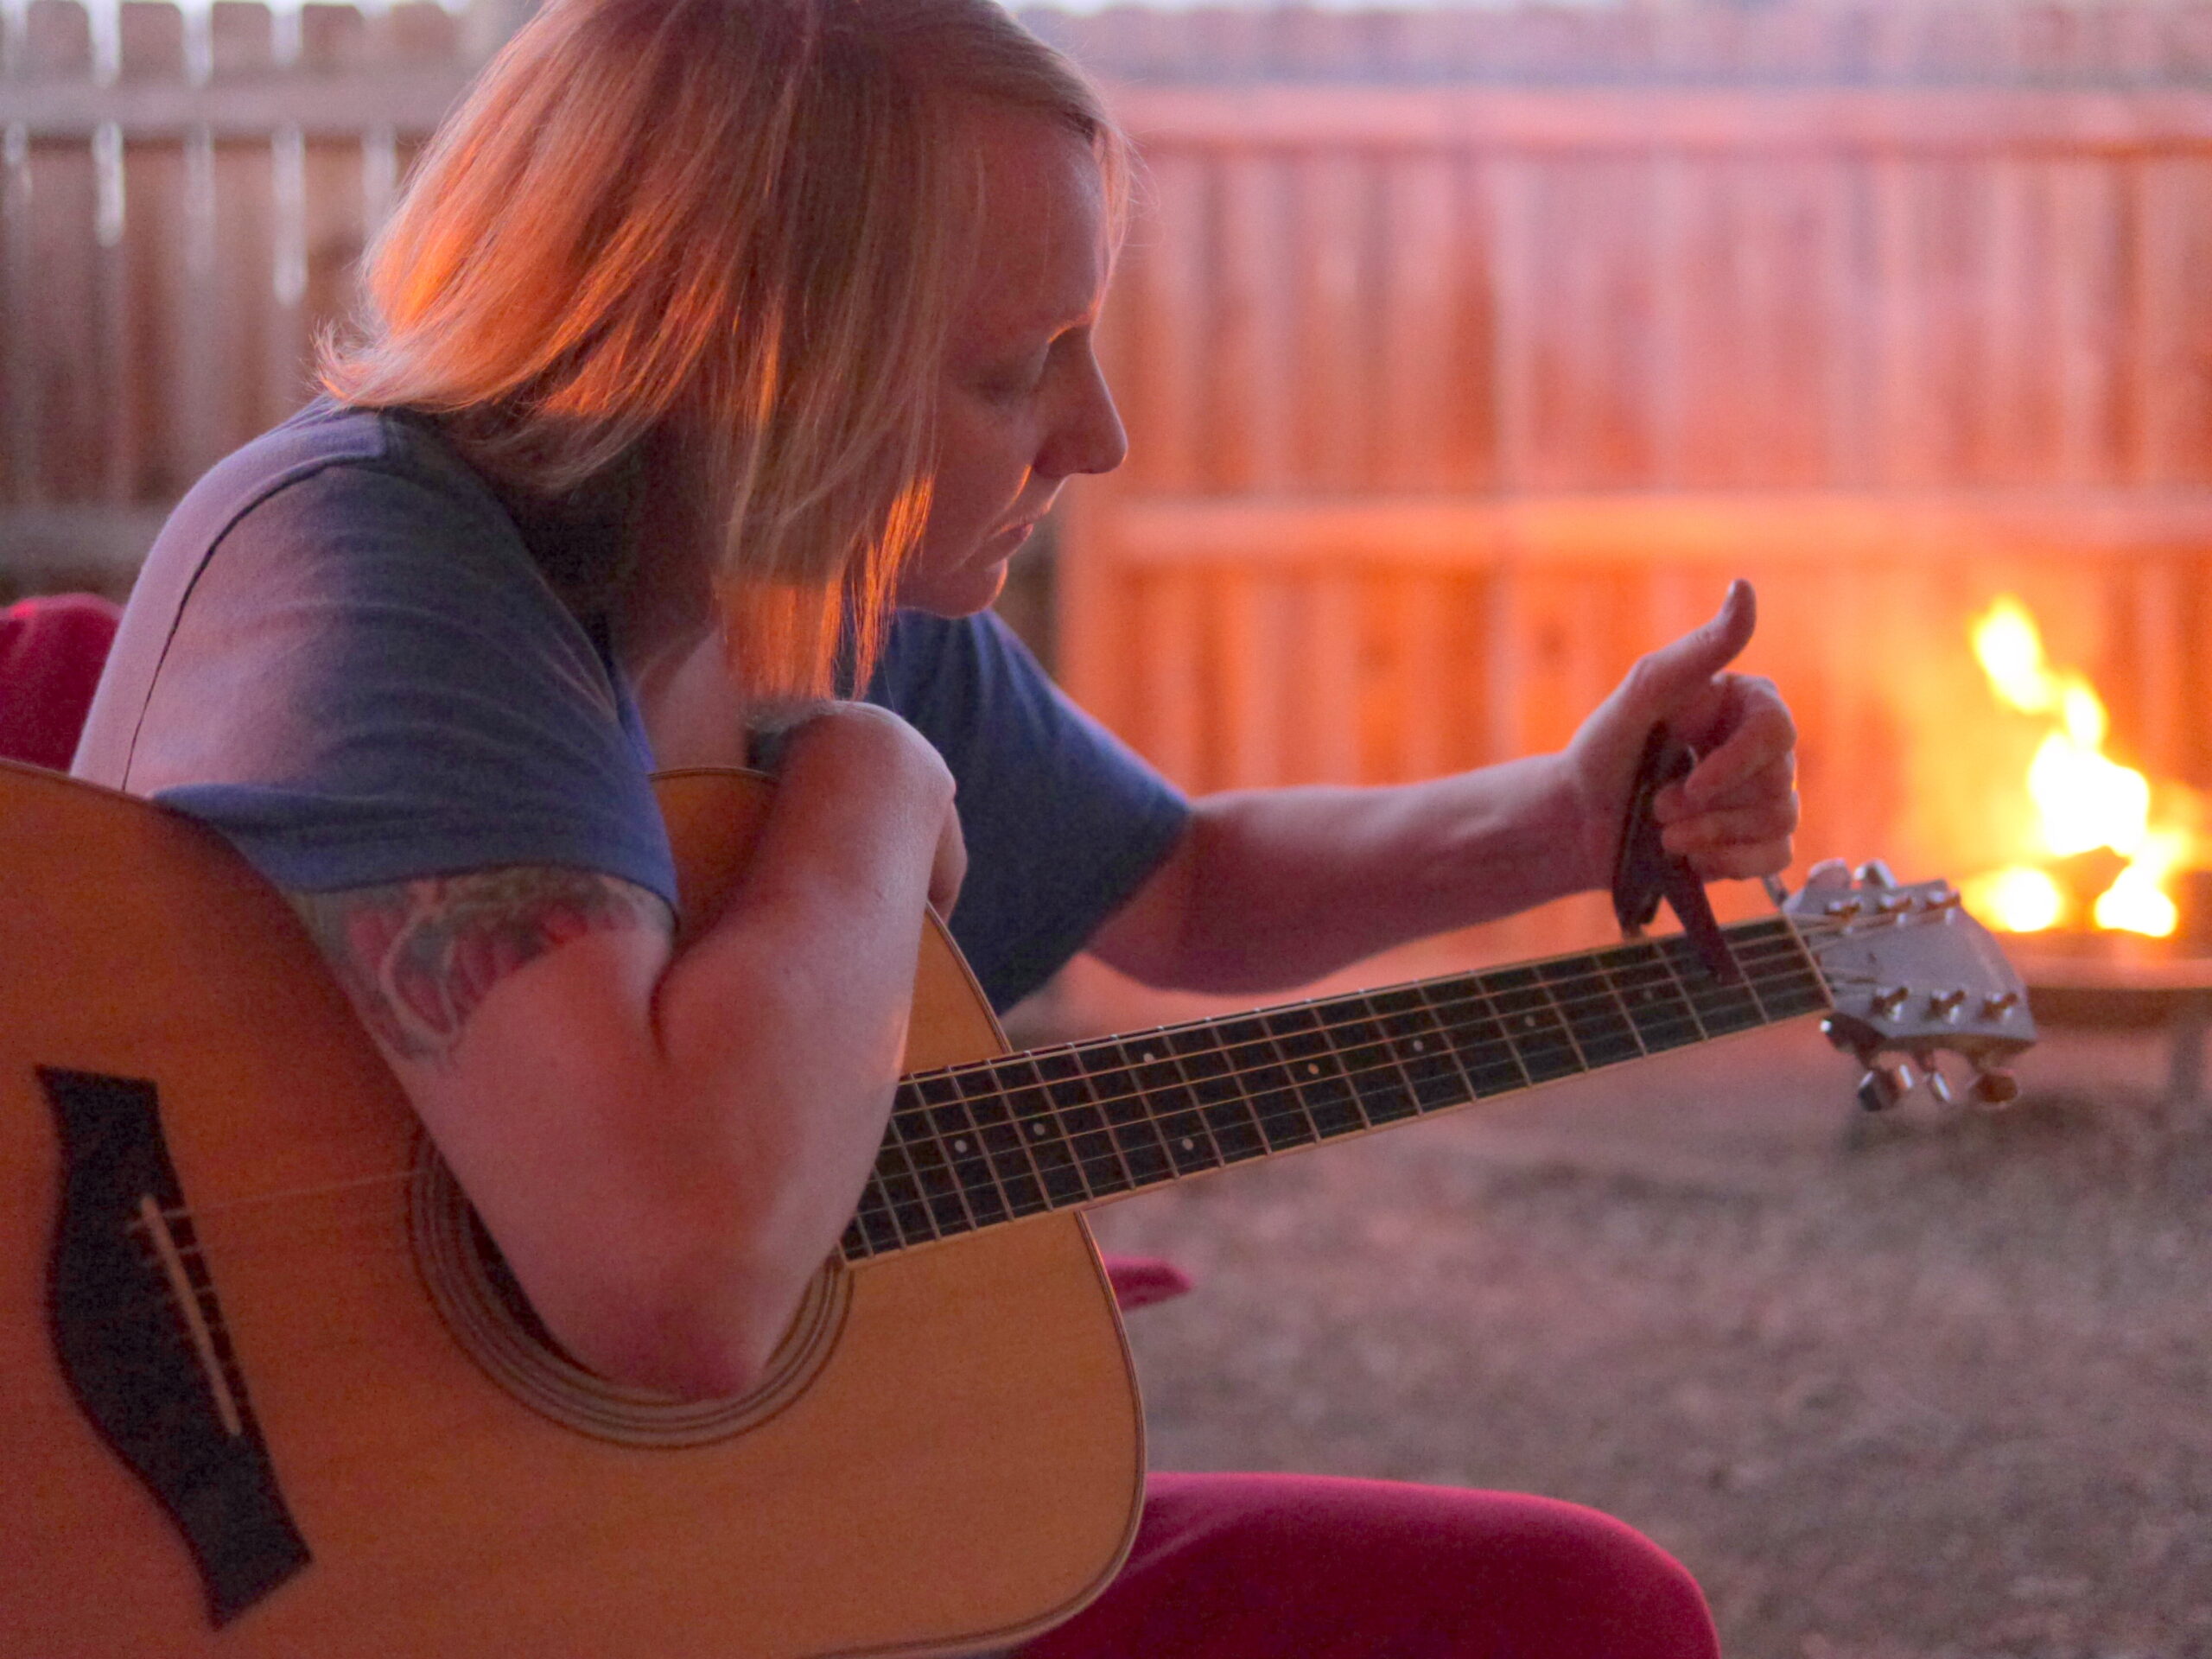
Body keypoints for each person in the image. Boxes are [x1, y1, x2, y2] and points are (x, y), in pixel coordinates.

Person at [73, 0, 1796, 1649]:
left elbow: (1183, 891)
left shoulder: (807, 572)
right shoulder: (377, 569)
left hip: (638, 1553)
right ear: (756, 356)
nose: (1097, 437)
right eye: (1015, 370)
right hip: (276, 1573)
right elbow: (671, 1275)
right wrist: (871, 788)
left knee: (1570, 1609)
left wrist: (1570, 824)